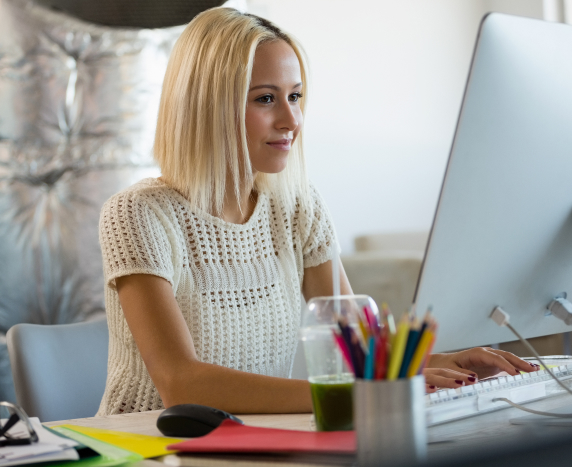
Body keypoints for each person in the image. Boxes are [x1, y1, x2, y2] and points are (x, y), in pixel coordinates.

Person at [96, 8, 539, 416]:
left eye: (296, 96)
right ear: (209, 106)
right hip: (144, 447)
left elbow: (362, 349)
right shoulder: (138, 215)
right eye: (266, 99)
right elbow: (181, 384)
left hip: (247, 444)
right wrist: (366, 393)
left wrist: (447, 362)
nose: (292, 120)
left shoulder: (296, 206)